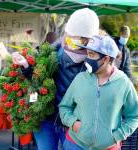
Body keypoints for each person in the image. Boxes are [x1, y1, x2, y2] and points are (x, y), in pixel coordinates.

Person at [12, 8, 100, 150]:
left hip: (75, 123)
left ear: (89, 39)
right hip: (46, 120)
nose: (70, 39)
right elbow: (37, 80)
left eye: (77, 37)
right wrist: (26, 66)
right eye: (70, 34)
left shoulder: (96, 62)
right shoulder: (53, 52)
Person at [59, 35, 138, 150]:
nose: (87, 58)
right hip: (75, 144)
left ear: (106, 59)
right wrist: (73, 123)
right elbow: (64, 107)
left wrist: (117, 136)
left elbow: (134, 116)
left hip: (109, 147)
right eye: (87, 54)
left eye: (91, 55)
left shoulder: (123, 83)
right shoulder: (80, 78)